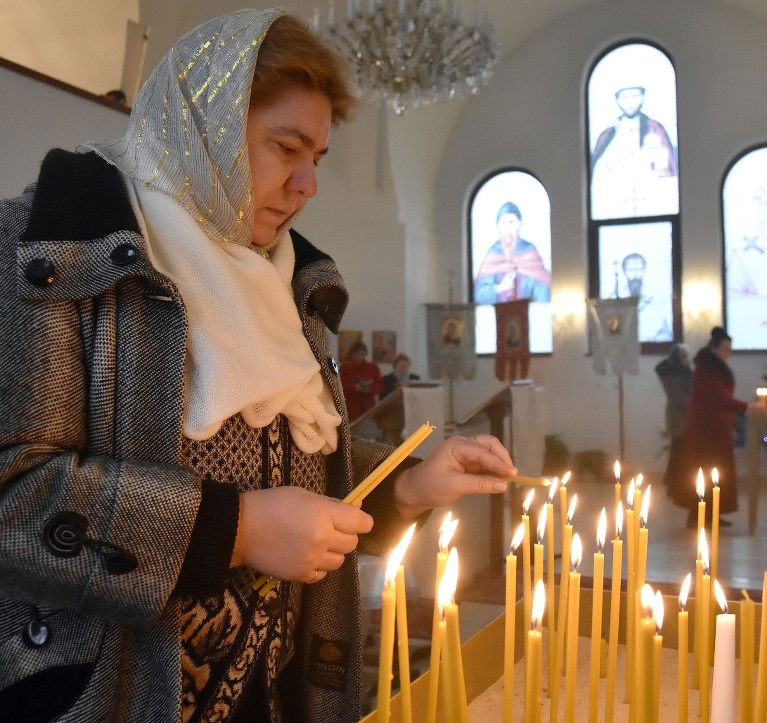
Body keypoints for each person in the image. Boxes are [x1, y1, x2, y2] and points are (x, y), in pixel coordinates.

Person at [0, 10, 517, 722]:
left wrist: (410, 484)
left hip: (270, 692)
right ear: (200, 128)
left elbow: (296, 467)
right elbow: (14, 494)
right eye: (286, 147)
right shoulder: (56, 247)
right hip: (114, 692)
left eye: (320, 158)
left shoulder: (286, 279)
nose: (307, 183)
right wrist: (235, 530)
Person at [673, 328, 753, 526]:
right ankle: (697, 515)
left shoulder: (714, 367)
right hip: (705, 430)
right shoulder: (705, 369)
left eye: (730, 349)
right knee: (703, 470)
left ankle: (712, 513)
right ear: (714, 348)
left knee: (716, 472)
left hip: (717, 428)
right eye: (725, 348)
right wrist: (747, 407)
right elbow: (719, 398)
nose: (728, 353)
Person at [589, 84, 678, 218]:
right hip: (617, 202)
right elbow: (599, 171)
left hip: (652, 200)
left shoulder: (655, 129)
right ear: (617, 100)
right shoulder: (608, 134)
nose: (630, 102)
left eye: (635, 96)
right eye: (624, 97)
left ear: (642, 98)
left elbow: (668, 167)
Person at [473, 201, 551, 304]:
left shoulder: (530, 252)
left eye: (511, 222)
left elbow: (543, 287)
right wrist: (500, 288)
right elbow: (479, 293)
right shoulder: (493, 254)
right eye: (503, 223)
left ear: (519, 223)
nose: (507, 228)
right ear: (498, 226)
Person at [655, 343, 692, 496]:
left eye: (686, 355)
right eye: (682, 355)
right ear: (675, 356)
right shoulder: (671, 374)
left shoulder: (684, 371)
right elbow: (677, 397)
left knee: (680, 453)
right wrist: (696, 407)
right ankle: (673, 486)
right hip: (678, 417)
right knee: (678, 453)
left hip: (683, 416)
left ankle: (677, 485)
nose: (685, 358)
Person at [340, 341, 384, 421]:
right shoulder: (344, 368)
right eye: (357, 354)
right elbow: (339, 388)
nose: (360, 357)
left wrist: (369, 389)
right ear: (352, 354)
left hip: (368, 406)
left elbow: (380, 387)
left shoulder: (373, 367)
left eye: (363, 354)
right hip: (351, 407)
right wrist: (354, 388)